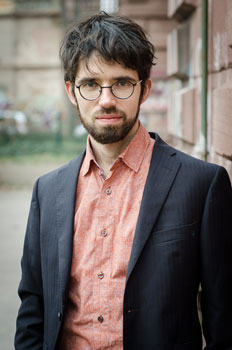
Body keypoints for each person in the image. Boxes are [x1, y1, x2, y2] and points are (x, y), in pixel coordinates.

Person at [15, 12, 232, 350]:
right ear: (71, 92)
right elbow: (33, 306)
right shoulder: (48, 190)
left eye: (121, 82)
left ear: (144, 88)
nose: (106, 100)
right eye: (90, 84)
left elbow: (224, 319)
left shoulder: (202, 184)